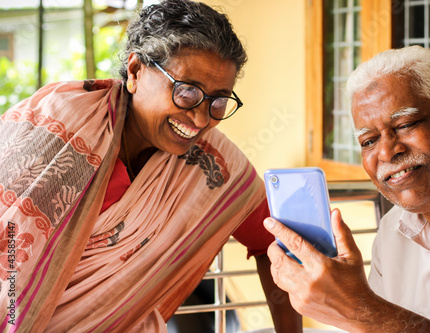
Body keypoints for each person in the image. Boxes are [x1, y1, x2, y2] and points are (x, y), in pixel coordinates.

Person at [0, 1, 302, 332]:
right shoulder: (62, 130)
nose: (201, 118)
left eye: (218, 101)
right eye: (187, 92)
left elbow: (274, 241)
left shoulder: (214, 168)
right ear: (135, 72)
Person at [264, 45, 430, 332]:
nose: (387, 152)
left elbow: (373, 319)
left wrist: (361, 311)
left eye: (405, 124)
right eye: (368, 141)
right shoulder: (392, 232)